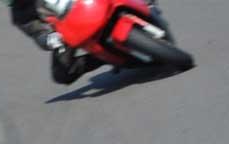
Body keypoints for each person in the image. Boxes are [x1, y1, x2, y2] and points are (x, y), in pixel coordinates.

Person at [10, 0, 162, 85]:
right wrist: (49, 39)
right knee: (61, 74)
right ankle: (106, 57)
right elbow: (35, 31)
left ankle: (146, 4)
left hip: (91, 2)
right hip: (67, 29)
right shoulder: (20, 10)